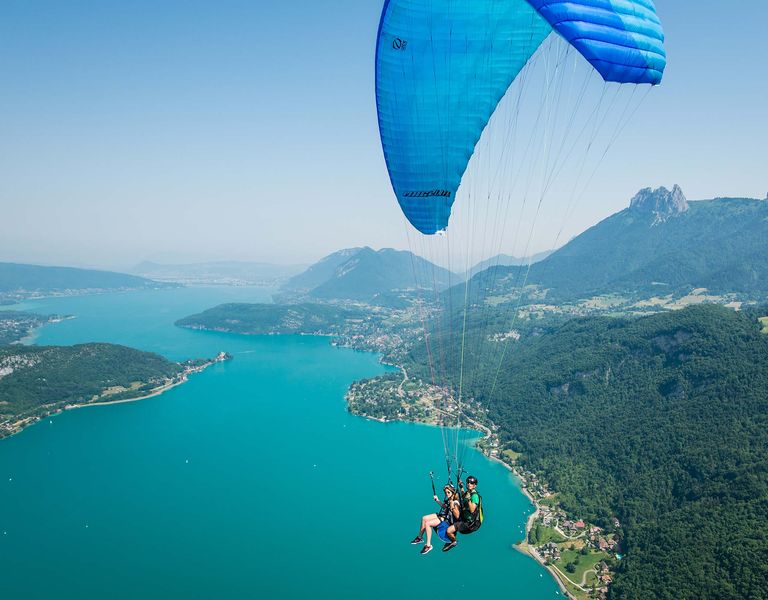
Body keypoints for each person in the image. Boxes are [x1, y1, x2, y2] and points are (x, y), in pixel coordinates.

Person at [410, 483, 460, 555]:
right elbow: (444, 507)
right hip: (443, 515)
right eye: (446, 493)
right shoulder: (449, 499)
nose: (447, 494)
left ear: (453, 492)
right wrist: (437, 500)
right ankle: (419, 538)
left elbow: (457, 515)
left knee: (428, 524)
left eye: (448, 492)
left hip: (447, 520)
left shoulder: (455, 502)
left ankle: (428, 545)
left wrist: (452, 506)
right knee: (424, 518)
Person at [443, 475, 483, 552]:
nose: (469, 484)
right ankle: (453, 530)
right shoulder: (469, 493)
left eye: (471, 483)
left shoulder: (474, 496)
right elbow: (464, 496)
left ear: (475, 485)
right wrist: (461, 487)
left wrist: (468, 499)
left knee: (449, 531)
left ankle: (454, 541)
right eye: (468, 482)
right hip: (466, 518)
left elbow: (472, 509)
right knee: (456, 501)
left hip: (470, 524)